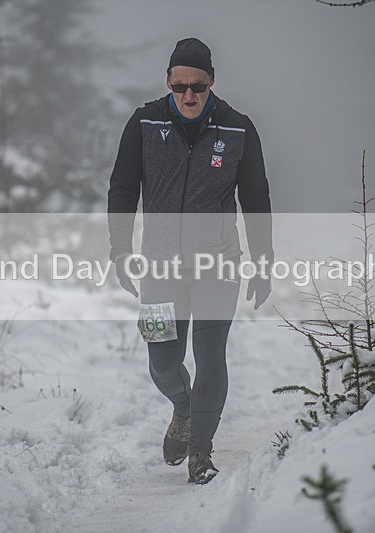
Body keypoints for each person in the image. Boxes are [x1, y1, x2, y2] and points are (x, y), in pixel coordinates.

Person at [107, 37, 274, 484]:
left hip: (218, 266)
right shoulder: (143, 122)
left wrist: (262, 261)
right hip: (159, 267)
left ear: (212, 83)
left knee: (209, 354)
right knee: (161, 360)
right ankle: (183, 406)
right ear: (167, 82)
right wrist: (120, 249)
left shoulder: (238, 129)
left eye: (197, 86)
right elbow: (122, 189)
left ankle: (201, 450)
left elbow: (256, 199)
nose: (188, 95)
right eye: (179, 85)